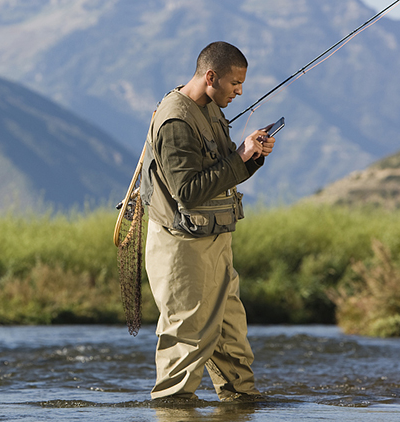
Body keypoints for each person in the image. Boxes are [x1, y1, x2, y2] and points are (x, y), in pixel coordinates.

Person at [140, 41, 276, 401]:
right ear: (210, 76)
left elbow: (218, 172)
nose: (240, 91)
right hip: (182, 246)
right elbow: (188, 190)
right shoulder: (175, 120)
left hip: (214, 239)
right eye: (235, 83)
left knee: (231, 334)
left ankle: (241, 401)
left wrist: (250, 156)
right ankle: (172, 407)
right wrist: (240, 158)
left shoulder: (211, 107)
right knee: (187, 334)